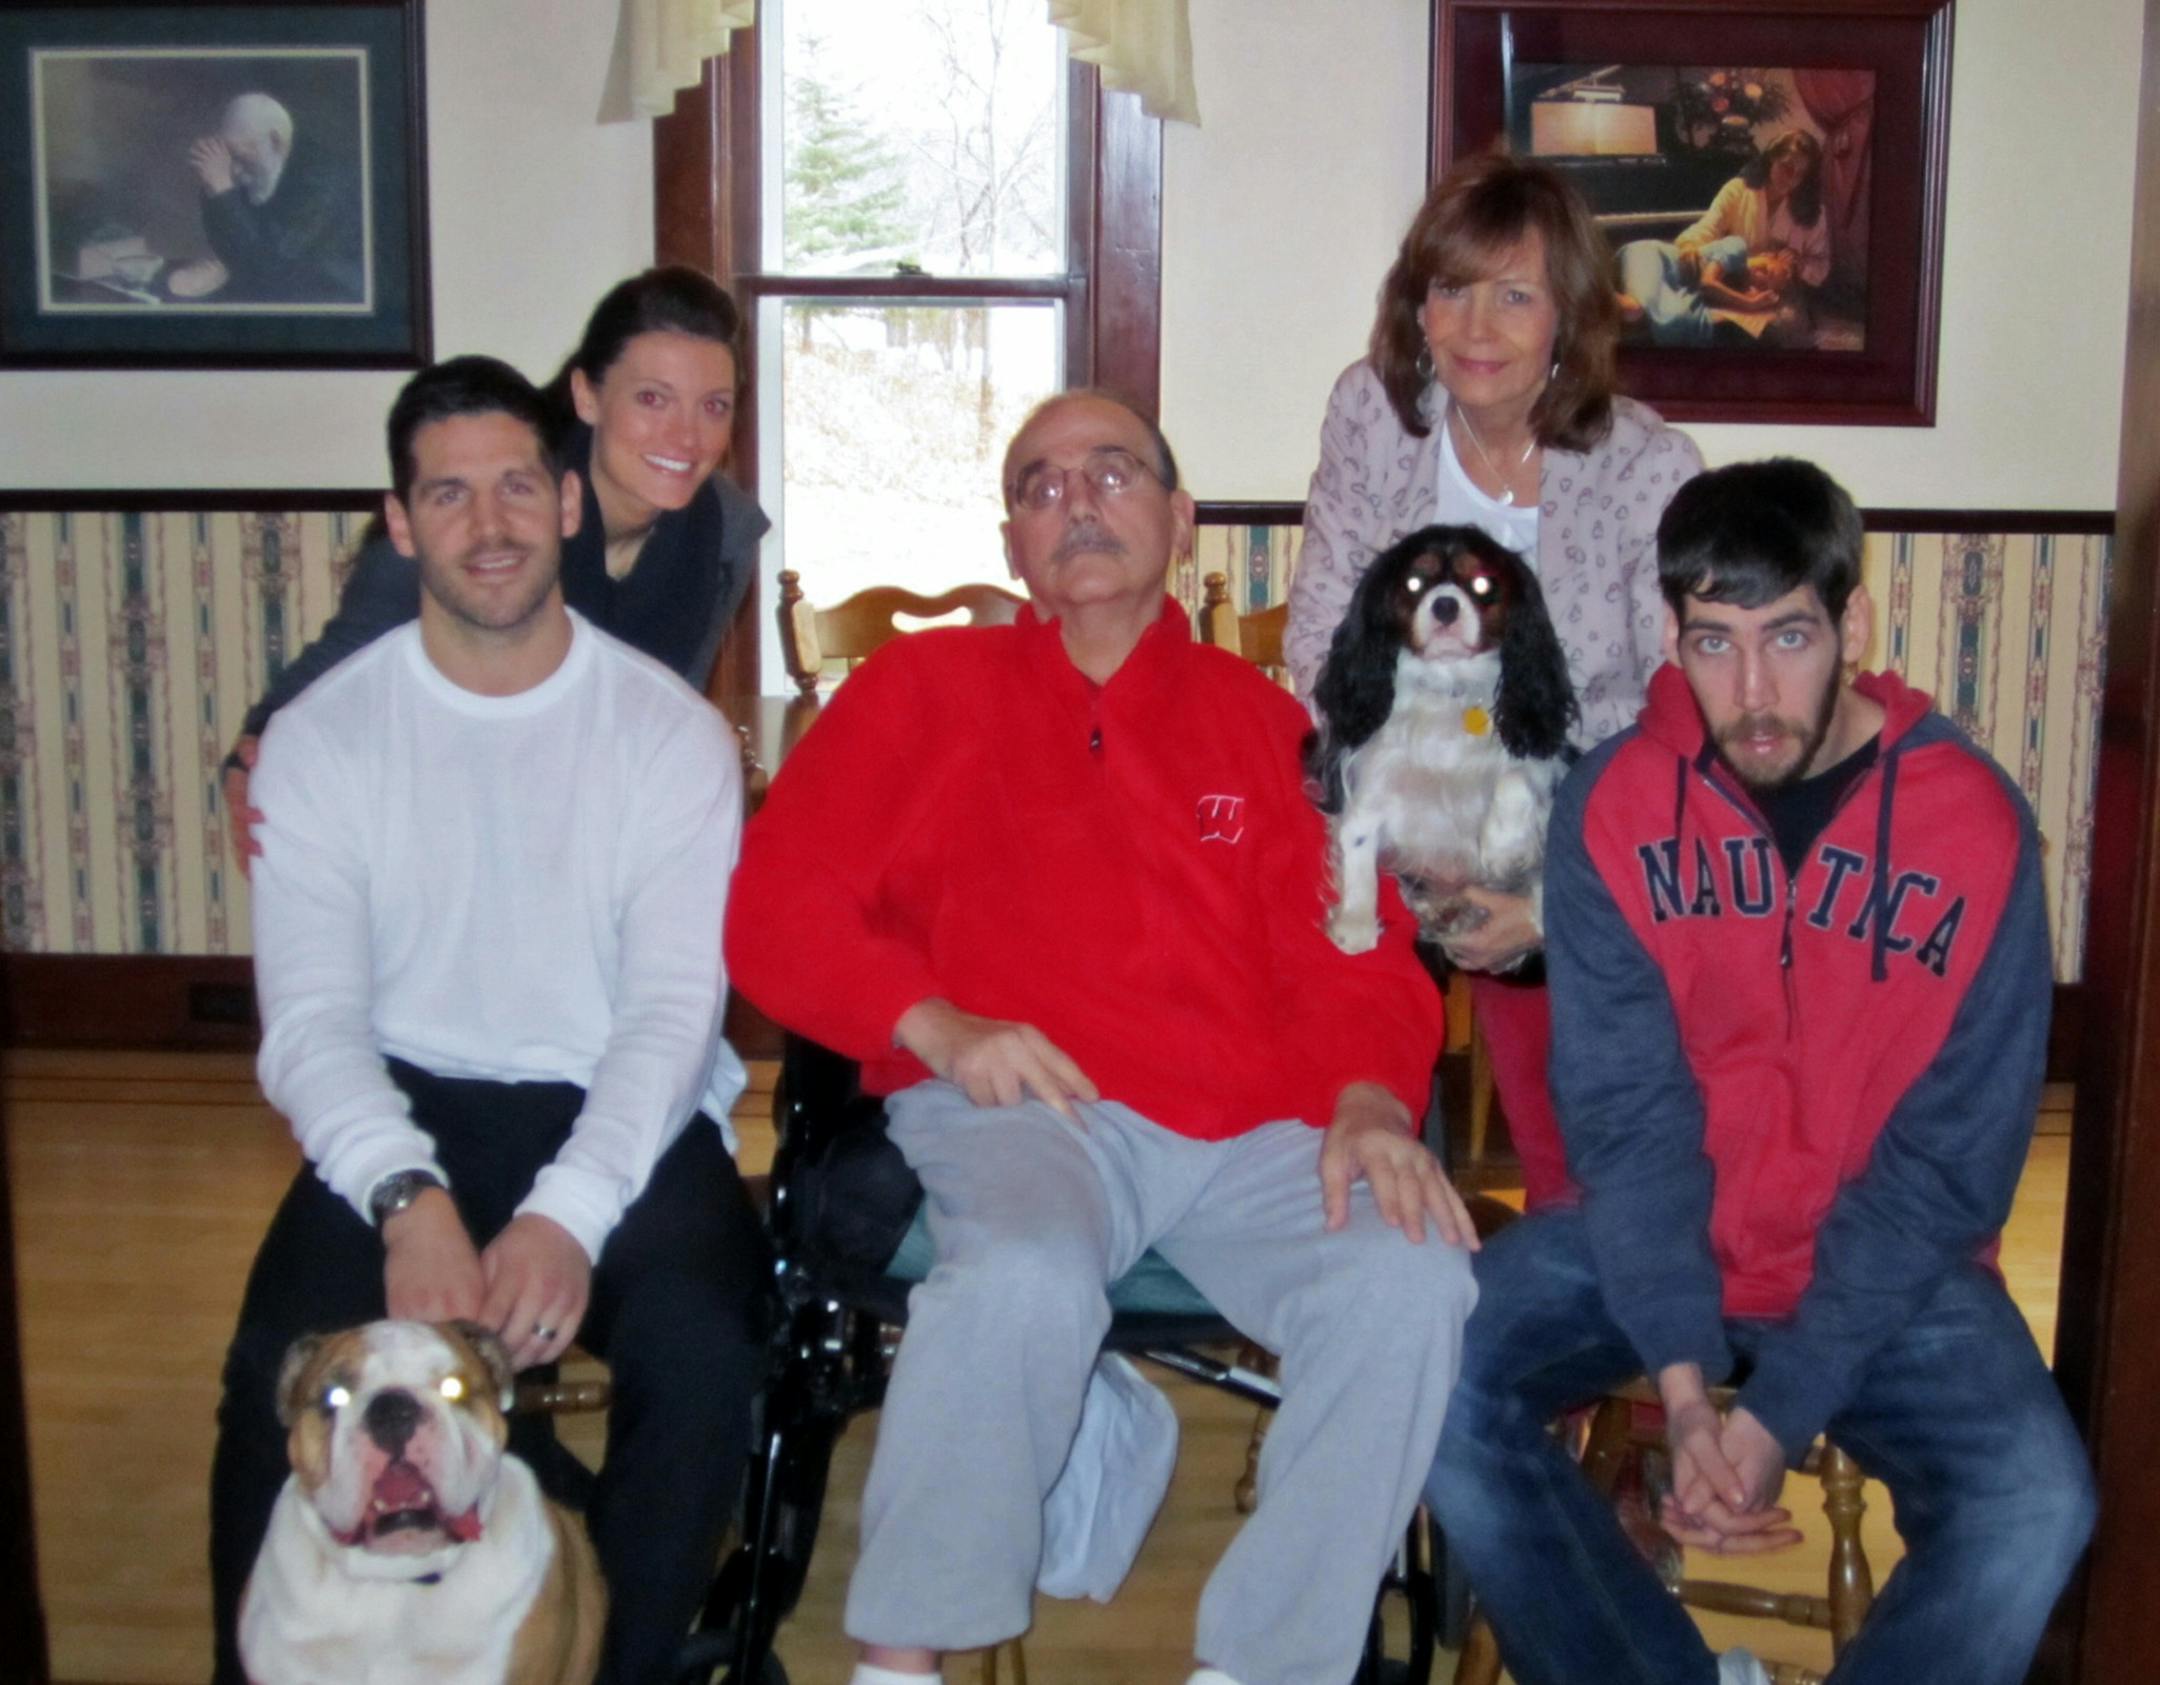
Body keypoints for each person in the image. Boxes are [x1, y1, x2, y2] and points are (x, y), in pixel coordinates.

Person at [725, 390, 1479, 1685]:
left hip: (1249, 1129)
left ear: (1181, 522)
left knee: (1411, 1280)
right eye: (1040, 484)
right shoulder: (919, 692)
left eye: (1114, 472)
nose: (1077, 500)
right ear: (1014, 545)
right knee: (1020, 1272)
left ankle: (1260, 1667)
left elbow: (1357, 946)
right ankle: (899, 1660)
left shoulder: (1264, 724)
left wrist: (1365, 1095)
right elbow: (775, 907)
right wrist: (936, 1026)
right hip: (1026, 1107)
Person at [1424, 459, 2096, 1685]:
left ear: (1853, 624)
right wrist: (1685, 1396)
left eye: (1788, 635)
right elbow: (1627, 1125)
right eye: (1712, 643)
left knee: (2036, 1500)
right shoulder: (1619, 806)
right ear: (1672, 640)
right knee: (1423, 1375)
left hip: (1885, 1263)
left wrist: (1780, 1410)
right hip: (1658, 1233)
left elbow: (1949, 1168)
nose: (1752, 691)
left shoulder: (1974, 824)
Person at [206, 355, 770, 1685]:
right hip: (404, 1111)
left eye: (519, 484)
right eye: (448, 495)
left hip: (617, 1111)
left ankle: (614, 1659)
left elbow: (671, 1014)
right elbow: (310, 1023)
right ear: (400, 527)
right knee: (263, 1377)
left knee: (704, 1357)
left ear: (571, 501)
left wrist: (567, 1213)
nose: (491, 523)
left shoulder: (668, 735)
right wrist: (410, 1200)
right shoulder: (325, 737)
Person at [1288, 151, 1704, 1208]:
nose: (1477, 327)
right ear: (1416, 306)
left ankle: (1588, 1310)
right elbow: (1320, 637)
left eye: (1514, 295)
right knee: (1333, 1034)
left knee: (1576, 1124)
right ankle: (1375, 1260)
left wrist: (1549, 893)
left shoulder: (1647, 465)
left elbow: (1669, 711)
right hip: (1390, 800)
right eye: (1451, 289)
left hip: (1561, 820)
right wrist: (1404, 845)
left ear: (1568, 315)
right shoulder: (1373, 415)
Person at [220, 266, 770, 873]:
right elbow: (335, 675)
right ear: (587, 396)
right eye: (651, 399)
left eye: (713, 407)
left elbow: (668, 711)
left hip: (600, 840)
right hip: (446, 826)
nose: (686, 436)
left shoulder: (727, 531)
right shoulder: (486, 518)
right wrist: (253, 763)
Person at [173, 92, 365, 304]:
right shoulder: (261, 165)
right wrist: (213, 187)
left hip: (324, 300)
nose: (233, 171)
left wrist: (221, 187)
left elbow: (270, 267)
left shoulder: (323, 183)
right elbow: (230, 248)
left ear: (275, 141)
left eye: (239, 156)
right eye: (228, 157)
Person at [1670, 130, 1831, 330]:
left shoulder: (1813, 211)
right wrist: (1690, 245)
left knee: (1785, 326)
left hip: (1781, 293)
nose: (1791, 179)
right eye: (1786, 167)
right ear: (1772, 157)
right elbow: (1708, 227)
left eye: (1800, 174)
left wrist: (1798, 262)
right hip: (1735, 283)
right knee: (1714, 324)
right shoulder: (1738, 190)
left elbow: (1821, 265)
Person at [1615, 235, 1798, 347]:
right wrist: (1749, 303)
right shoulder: (1737, 248)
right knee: (1633, 309)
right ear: (1766, 255)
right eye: (1765, 269)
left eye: (1764, 283)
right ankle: (1588, 285)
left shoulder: (1730, 293)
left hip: (1674, 292)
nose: (1758, 276)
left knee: (1679, 320)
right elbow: (1707, 283)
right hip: (1657, 261)